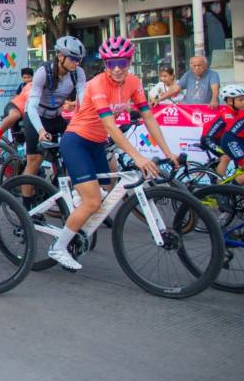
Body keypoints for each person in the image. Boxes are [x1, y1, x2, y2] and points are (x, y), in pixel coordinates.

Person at [49, 36, 179, 270]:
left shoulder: (133, 83)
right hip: (77, 141)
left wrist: (168, 152)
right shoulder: (97, 84)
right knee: (92, 201)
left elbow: (148, 117)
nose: (117, 68)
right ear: (105, 64)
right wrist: (138, 157)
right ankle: (58, 247)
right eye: (111, 63)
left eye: (122, 62)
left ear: (129, 61)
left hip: (97, 143)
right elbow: (110, 125)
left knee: (107, 191)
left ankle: (76, 212)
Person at [23, 36, 87, 187]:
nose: (76, 63)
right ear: (60, 56)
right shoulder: (43, 72)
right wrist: (40, 131)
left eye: (79, 59)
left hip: (56, 117)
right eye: (72, 58)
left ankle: (58, 183)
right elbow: (31, 106)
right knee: (34, 161)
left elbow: (83, 102)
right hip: (36, 116)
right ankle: (25, 206)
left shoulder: (78, 73)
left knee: (74, 149)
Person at [152, 55, 219, 108]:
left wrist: (214, 100)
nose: (197, 68)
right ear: (191, 66)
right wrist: (158, 100)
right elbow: (175, 88)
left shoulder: (212, 74)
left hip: (207, 108)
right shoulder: (188, 74)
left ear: (205, 65)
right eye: (194, 66)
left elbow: (215, 89)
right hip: (189, 109)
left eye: (199, 65)